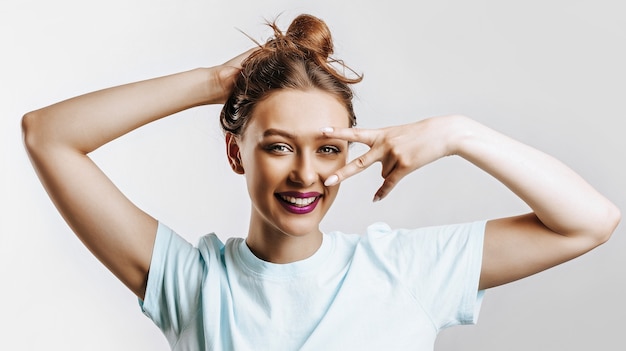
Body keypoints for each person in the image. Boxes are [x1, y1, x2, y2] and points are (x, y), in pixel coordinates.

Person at [22, 13, 620, 351]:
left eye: (328, 148)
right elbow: (47, 134)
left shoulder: (406, 270)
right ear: (237, 152)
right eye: (279, 147)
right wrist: (215, 80)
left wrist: (459, 133)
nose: (305, 174)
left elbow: (591, 221)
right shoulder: (193, 285)